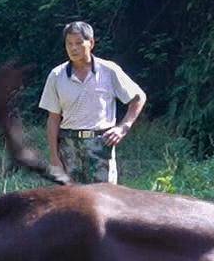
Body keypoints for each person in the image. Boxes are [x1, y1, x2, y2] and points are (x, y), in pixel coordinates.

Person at [39, 21, 146, 184]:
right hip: (68, 146)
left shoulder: (109, 71)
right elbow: (53, 118)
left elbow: (138, 98)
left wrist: (123, 127)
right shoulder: (57, 75)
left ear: (91, 43)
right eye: (69, 44)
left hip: (101, 144)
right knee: (70, 201)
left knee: (104, 202)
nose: (73, 48)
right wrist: (54, 157)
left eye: (79, 43)